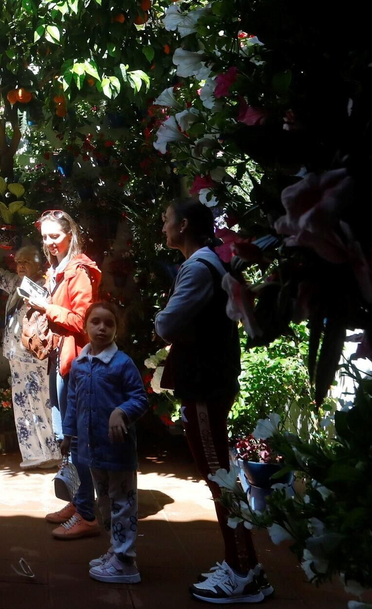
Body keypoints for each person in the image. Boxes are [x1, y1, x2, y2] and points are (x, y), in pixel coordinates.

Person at [156, 197, 273, 605]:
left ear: (184, 225)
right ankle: (244, 563)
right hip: (209, 382)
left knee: (220, 476)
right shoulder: (211, 261)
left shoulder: (197, 267)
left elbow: (165, 323)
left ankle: (243, 571)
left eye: (167, 219)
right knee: (219, 472)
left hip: (203, 385)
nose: (164, 226)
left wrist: (163, 320)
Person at [22, 209, 103, 539]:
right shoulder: (57, 270)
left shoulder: (78, 271)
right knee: (65, 437)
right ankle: (77, 500)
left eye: (55, 236)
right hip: (59, 360)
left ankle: (86, 513)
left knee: (76, 438)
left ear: (71, 235)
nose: (49, 243)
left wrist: (46, 308)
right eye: (45, 237)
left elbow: (82, 321)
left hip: (74, 363)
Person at [62, 300, 147, 585]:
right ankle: (115, 549)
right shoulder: (79, 364)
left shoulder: (122, 364)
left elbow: (139, 399)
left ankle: (126, 561)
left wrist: (121, 411)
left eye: (109, 323)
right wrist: (68, 434)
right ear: (85, 326)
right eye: (95, 321)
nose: (101, 328)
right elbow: (72, 402)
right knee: (106, 504)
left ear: (116, 330)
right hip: (91, 450)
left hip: (118, 450)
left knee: (123, 503)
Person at [0, 244, 62, 468]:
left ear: (39, 264)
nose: (21, 265)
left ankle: (51, 452)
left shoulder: (43, 286)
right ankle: (34, 453)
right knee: (23, 405)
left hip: (34, 356)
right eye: (18, 261)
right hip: (15, 355)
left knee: (41, 404)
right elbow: (1, 277)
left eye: (26, 261)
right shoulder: (19, 284)